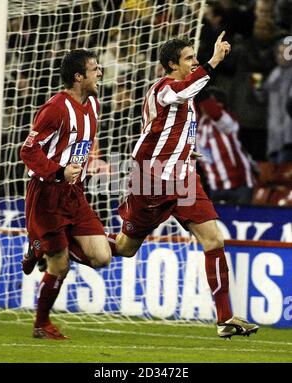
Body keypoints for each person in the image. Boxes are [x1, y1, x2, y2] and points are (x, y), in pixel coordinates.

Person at [109, 31, 259, 338]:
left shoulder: (185, 96)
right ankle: (70, 243)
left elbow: (170, 127)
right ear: (171, 64)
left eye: (195, 57)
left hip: (183, 177)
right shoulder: (164, 88)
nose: (194, 63)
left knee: (214, 240)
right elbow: (182, 90)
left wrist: (184, 150)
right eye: (189, 58)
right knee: (126, 248)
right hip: (150, 178)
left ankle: (225, 318)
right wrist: (214, 60)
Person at [20, 49, 112, 340]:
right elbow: (27, 150)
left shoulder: (94, 104)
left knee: (102, 256)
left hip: (76, 193)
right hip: (47, 193)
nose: (100, 73)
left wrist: (88, 164)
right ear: (78, 76)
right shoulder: (55, 109)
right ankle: (41, 324)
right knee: (60, 265)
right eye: (94, 69)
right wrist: (58, 172)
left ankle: (40, 247)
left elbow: (82, 145)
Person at [195, 86, 254, 205]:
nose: (202, 105)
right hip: (214, 187)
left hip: (239, 186)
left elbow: (213, 111)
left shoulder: (226, 121)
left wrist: (196, 84)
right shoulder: (198, 123)